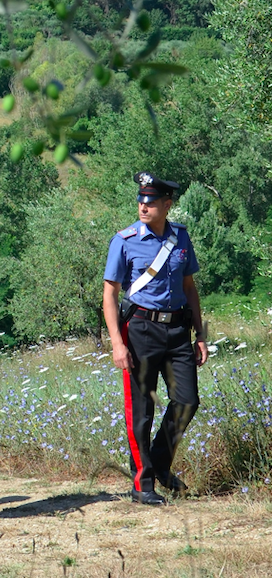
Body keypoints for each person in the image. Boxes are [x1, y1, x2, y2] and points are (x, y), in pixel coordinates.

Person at [103, 172, 208, 506]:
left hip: (178, 330)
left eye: (150, 202)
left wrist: (200, 335)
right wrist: (117, 344)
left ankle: (159, 464)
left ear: (167, 204)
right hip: (140, 331)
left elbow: (190, 288)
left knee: (187, 400)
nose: (143, 206)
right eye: (140, 200)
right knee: (142, 411)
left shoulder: (180, 237)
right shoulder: (124, 240)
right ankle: (142, 483)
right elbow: (109, 295)